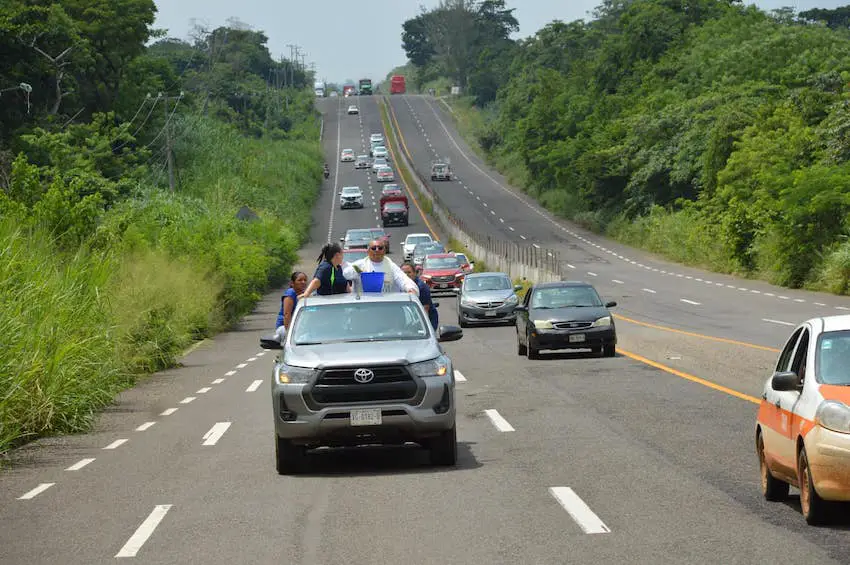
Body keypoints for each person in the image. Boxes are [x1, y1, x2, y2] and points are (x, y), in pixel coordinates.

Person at [343, 239, 419, 295]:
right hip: (363, 307)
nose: (377, 250)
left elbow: (403, 279)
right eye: (373, 248)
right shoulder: (360, 264)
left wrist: (411, 289)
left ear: (384, 251)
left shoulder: (391, 266)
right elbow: (345, 274)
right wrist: (358, 272)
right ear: (368, 251)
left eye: (380, 248)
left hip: (385, 307)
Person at [402, 262, 438, 330]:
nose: (406, 275)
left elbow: (425, 310)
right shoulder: (398, 285)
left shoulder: (422, 287)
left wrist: (425, 329)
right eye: (404, 273)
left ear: (415, 273)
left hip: (427, 319)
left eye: (409, 272)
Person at [274, 271, 307, 341]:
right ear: (292, 283)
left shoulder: (305, 294)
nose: (303, 282)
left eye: (305, 280)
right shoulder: (290, 293)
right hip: (285, 327)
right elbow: (287, 314)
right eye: (300, 280)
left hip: (298, 327)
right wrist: (289, 332)